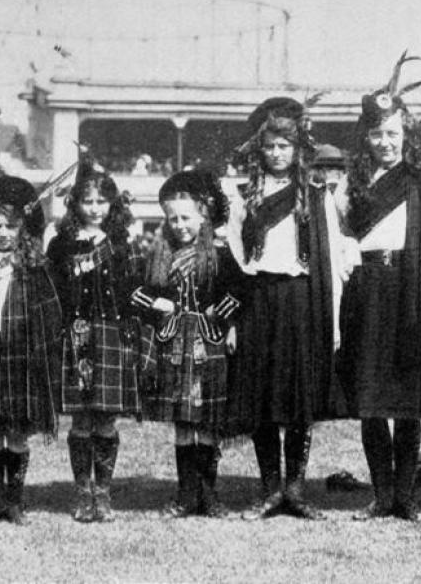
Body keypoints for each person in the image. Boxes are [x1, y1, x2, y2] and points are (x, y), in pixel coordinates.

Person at [334, 50, 421, 521]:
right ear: (367, 137)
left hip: (410, 288)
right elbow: (341, 234)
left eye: (393, 134)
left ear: (407, 134)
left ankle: (406, 496)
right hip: (367, 287)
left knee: (406, 398)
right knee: (370, 399)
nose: (386, 142)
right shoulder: (354, 183)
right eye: (378, 134)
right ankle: (380, 495)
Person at [225, 96, 348, 520]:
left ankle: (295, 489)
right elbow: (237, 260)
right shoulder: (244, 196)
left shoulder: (316, 196)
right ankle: (269, 488)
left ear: (298, 150)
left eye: (284, 146)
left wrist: (330, 323)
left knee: (298, 399)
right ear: (260, 150)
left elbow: (330, 261)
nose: (277, 154)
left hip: (301, 300)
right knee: (262, 397)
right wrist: (236, 316)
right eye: (270, 147)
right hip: (259, 300)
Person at [46, 166, 154, 523]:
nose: (94, 208)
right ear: (74, 203)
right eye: (87, 201)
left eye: (101, 201)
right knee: (80, 422)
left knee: (106, 421)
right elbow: (54, 292)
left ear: (112, 203)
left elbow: (135, 290)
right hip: (75, 336)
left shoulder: (123, 242)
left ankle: (104, 495)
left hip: (111, 336)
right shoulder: (61, 244)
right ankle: (82, 494)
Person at [132, 170, 242, 518]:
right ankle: (185, 495)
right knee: (183, 422)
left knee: (208, 421)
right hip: (174, 344)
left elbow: (240, 291)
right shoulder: (158, 255)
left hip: (209, 343)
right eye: (172, 218)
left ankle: (208, 496)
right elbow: (135, 293)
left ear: (203, 216)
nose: (180, 225)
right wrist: (156, 304)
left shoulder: (221, 255)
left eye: (186, 217)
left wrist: (223, 316)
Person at [0, 176, 62, 526]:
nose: (3, 232)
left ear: (23, 229)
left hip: (20, 354)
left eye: (11, 226)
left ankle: (14, 502)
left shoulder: (34, 267)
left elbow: (48, 318)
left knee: (16, 429)